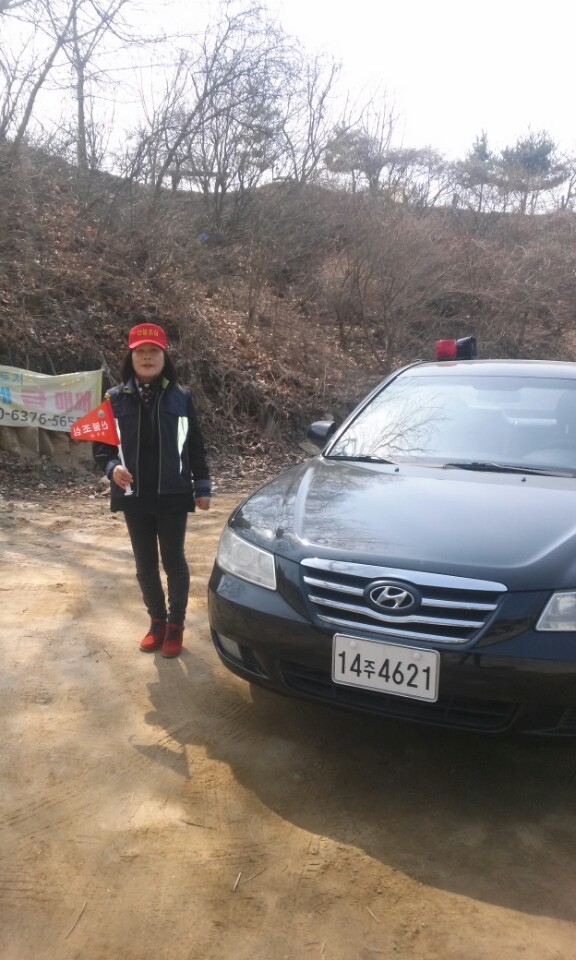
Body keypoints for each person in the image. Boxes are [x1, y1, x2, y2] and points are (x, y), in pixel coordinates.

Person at [93, 322, 211, 658]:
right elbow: (102, 448)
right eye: (140, 352)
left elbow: (194, 446)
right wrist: (112, 468)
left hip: (173, 493)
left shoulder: (181, 398)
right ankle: (157, 621)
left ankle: (176, 625)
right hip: (133, 495)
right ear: (130, 358)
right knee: (144, 564)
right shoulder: (114, 399)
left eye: (153, 351)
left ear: (164, 357)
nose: (147, 357)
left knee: (174, 561)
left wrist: (202, 484)